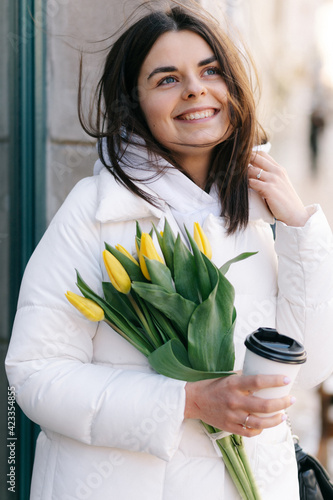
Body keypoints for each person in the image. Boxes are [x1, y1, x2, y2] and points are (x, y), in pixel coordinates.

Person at [5, 2, 333, 499]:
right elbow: (35, 374)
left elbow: (307, 370)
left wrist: (299, 228)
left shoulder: (256, 210)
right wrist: (186, 401)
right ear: (134, 105)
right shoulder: (98, 212)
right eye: (166, 79)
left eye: (210, 71)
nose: (195, 89)